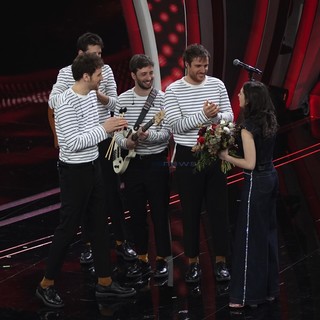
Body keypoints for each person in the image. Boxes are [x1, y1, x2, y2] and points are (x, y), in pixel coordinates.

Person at [36, 52, 136, 308]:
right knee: (68, 229)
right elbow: (72, 142)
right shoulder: (66, 103)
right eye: (99, 75)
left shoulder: (91, 95)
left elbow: (94, 130)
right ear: (85, 76)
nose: (102, 79)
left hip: (94, 167)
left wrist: (113, 128)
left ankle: (105, 283)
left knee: (99, 225)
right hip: (74, 172)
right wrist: (105, 129)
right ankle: (45, 285)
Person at [48, 32, 137, 265]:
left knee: (111, 192)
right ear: (81, 55)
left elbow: (116, 103)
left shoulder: (104, 72)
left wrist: (99, 96)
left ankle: (120, 241)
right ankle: (87, 245)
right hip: (81, 142)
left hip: (104, 137)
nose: (100, 59)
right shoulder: (67, 75)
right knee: (85, 200)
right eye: (94, 54)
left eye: (100, 53)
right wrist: (78, 93)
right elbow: (53, 102)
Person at [164, 43, 233, 283]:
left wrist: (215, 116)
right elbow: (176, 126)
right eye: (198, 66)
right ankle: (193, 263)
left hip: (214, 152)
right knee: (191, 211)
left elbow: (230, 116)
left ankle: (222, 262)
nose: (203, 70)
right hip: (187, 155)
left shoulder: (217, 85)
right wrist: (204, 116)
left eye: (205, 65)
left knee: (219, 211)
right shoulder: (173, 91)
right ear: (186, 65)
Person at [218, 81, 279, 308]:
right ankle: (269, 290)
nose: (239, 97)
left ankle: (245, 296)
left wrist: (226, 157)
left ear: (250, 99)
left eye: (241, 94)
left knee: (248, 239)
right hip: (271, 177)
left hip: (257, 183)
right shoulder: (270, 117)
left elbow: (250, 163)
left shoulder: (248, 127)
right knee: (267, 235)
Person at [113, 54, 172, 281]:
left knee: (160, 212)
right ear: (133, 75)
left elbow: (167, 132)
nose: (149, 78)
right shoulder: (122, 100)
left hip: (156, 162)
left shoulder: (162, 99)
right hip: (133, 165)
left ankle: (163, 259)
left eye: (151, 73)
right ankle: (141, 258)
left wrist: (149, 137)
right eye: (144, 74)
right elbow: (116, 133)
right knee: (136, 214)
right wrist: (126, 142)